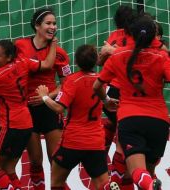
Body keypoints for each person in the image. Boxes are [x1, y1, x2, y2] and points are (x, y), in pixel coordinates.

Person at [93, 15, 170, 190]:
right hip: (159, 121)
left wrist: (106, 100)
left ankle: (149, 185)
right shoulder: (162, 57)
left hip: (130, 117)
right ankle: (149, 184)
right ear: (154, 36)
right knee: (147, 173)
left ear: (131, 35)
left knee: (137, 172)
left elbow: (96, 86)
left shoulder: (118, 55)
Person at [0, 38, 57, 189]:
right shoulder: (23, 62)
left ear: (9, 57)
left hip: (10, 126)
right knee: (9, 169)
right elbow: (48, 64)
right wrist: (53, 44)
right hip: (26, 124)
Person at [35, 44, 119, 190]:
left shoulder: (72, 81)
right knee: (101, 183)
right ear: (95, 61)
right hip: (95, 141)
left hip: (73, 141)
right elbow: (107, 103)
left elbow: (58, 108)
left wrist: (44, 97)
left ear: (76, 62)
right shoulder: (101, 82)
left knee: (56, 183)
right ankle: (107, 187)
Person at [15, 7, 71, 190]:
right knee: (35, 161)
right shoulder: (20, 46)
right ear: (37, 26)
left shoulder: (60, 53)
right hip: (27, 110)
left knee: (56, 161)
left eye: (54, 23)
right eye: (48, 23)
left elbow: (67, 84)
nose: (53, 27)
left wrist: (48, 96)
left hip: (49, 109)